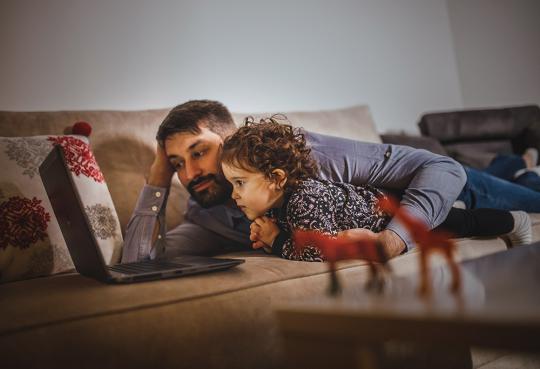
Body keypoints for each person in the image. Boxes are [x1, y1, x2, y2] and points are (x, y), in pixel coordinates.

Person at [120, 100, 537, 263]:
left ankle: (520, 166)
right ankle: (517, 163)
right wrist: (158, 177)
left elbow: (444, 170)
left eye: (198, 152)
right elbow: (138, 264)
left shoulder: (308, 159)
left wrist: (391, 241)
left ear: (231, 141)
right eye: (178, 164)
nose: (190, 175)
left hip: (449, 188)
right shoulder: (204, 214)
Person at [219, 117, 531, 261]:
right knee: (457, 219)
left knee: (464, 224)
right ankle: (515, 164)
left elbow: (318, 249)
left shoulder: (303, 199)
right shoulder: (278, 200)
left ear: (276, 177)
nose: (233, 193)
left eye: (239, 183)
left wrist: (276, 241)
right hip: (392, 203)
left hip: (409, 197)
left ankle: (516, 220)